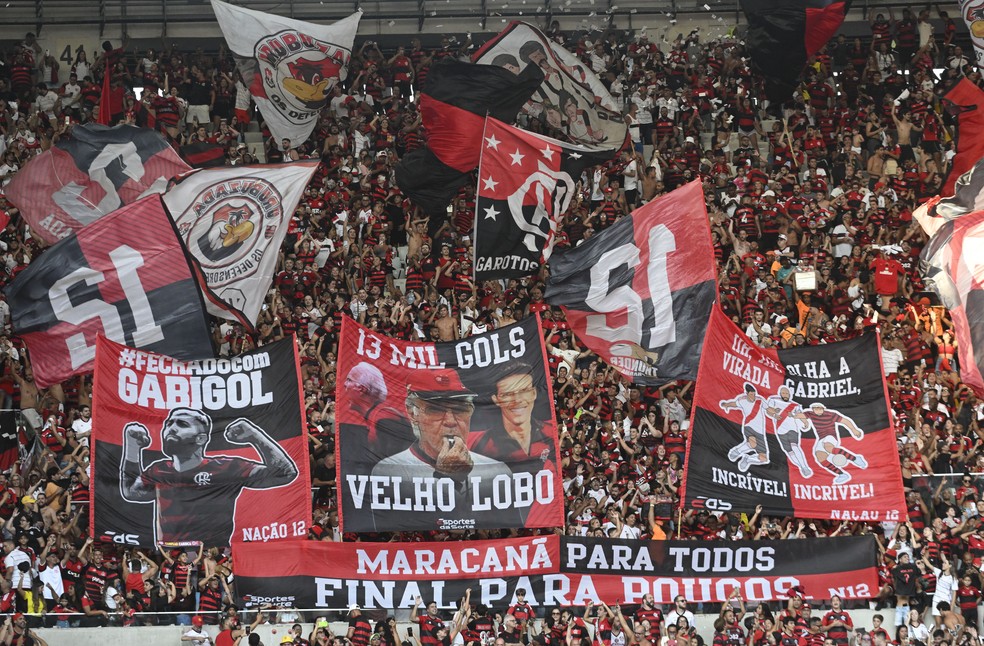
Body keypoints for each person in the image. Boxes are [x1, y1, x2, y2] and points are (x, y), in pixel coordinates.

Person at [120, 408, 299, 545]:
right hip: (170, 554)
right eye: (169, 423)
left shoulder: (227, 467)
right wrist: (133, 448)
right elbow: (130, 492)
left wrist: (254, 436)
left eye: (181, 424)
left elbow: (285, 473)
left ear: (200, 439)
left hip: (213, 554)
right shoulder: (158, 470)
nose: (171, 428)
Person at [369, 369, 518, 529]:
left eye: (460, 409)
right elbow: (407, 533)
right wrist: (447, 479)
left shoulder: (498, 472)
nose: (450, 421)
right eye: (436, 409)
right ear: (413, 413)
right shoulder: (390, 471)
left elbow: (509, 538)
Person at [794, 403, 867, 485]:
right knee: (820, 457)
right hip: (821, 438)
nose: (818, 410)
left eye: (820, 408)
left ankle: (855, 459)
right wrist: (792, 414)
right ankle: (842, 475)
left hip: (831, 436)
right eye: (816, 408)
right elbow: (800, 415)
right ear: (813, 409)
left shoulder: (830, 414)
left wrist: (854, 430)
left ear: (823, 408)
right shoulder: (810, 414)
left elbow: (845, 421)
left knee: (827, 446)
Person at [765, 386, 813, 478]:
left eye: (787, 393)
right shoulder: (774, 400)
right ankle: (801, 467)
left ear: (790, 394)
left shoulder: (795, 405)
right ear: (780, 394)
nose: (785, 395)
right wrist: (774, 414)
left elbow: (800, 414)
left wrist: (805, 422)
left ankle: (805, 466)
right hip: (780, 430)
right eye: (783, 393)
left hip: (792, 428)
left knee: (794, 446)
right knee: (789, 451)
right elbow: (768, 410)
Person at [721, 383, 771, 472]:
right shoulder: (742, 400)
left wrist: (774, 412)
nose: (753, 396)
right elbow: (733, 404)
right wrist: (726, 404)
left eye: (754, 394)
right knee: (753, 444)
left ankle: (748, 459)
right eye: (751, 394)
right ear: (747, 393)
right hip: (749, 426)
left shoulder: (760, 400)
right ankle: (737, 451)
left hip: (760, 431)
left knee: (764, 458)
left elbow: (768, 409)